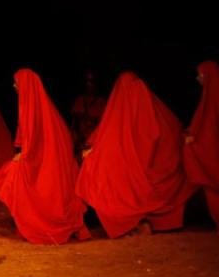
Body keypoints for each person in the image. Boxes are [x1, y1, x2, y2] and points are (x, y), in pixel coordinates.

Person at [75, 71, 195, 238]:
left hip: (138, 167)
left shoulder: (125, 106)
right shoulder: (153, 109)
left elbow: (112, 133)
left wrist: (95, 150)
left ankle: (135, 222)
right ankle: (145, 221)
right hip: (148, 168)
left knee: (114, 182)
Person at [0, 69, 90, 244]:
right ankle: (32, 222)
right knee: (20, 175)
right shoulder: (31, 105)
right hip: (43, 157)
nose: (14, 86)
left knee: (16, 176)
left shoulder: (34, 107)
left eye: (16, 83)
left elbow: (36, 137)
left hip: (48, 159)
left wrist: (25, 155)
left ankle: (38, 224)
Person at [184, 61, 219, 231]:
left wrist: (195, 140)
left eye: (201, 75)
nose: (198, 79)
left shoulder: (212, 98)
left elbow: (209, 127)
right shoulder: (208, 97)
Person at [70, 70, 106, 160]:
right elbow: (74, 123)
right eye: (87, 81)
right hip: (80, 143)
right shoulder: (79, 100)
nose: (89, 84)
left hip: (96, 144)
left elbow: (104, 125)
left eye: (91, 81)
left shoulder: (102, 103)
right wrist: (77, 140)